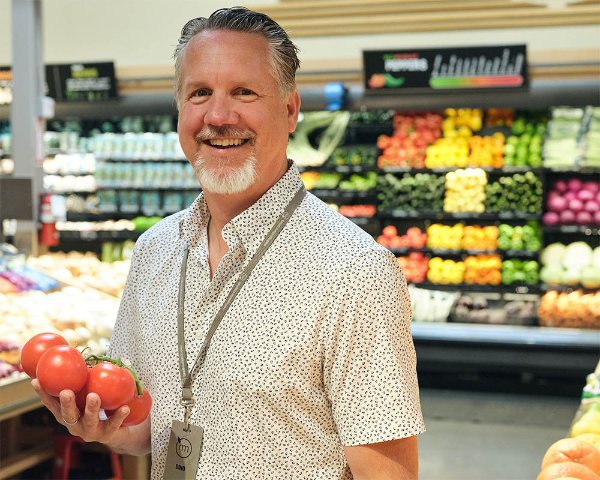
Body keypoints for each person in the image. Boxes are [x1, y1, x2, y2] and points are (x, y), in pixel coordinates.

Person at [32, 7, 425, 479]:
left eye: (244, 92)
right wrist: (104, 424)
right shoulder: (155, 249)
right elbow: (145, 426)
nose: (218, 116)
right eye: (200, 93)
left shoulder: (355, 271)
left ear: (290, 108)